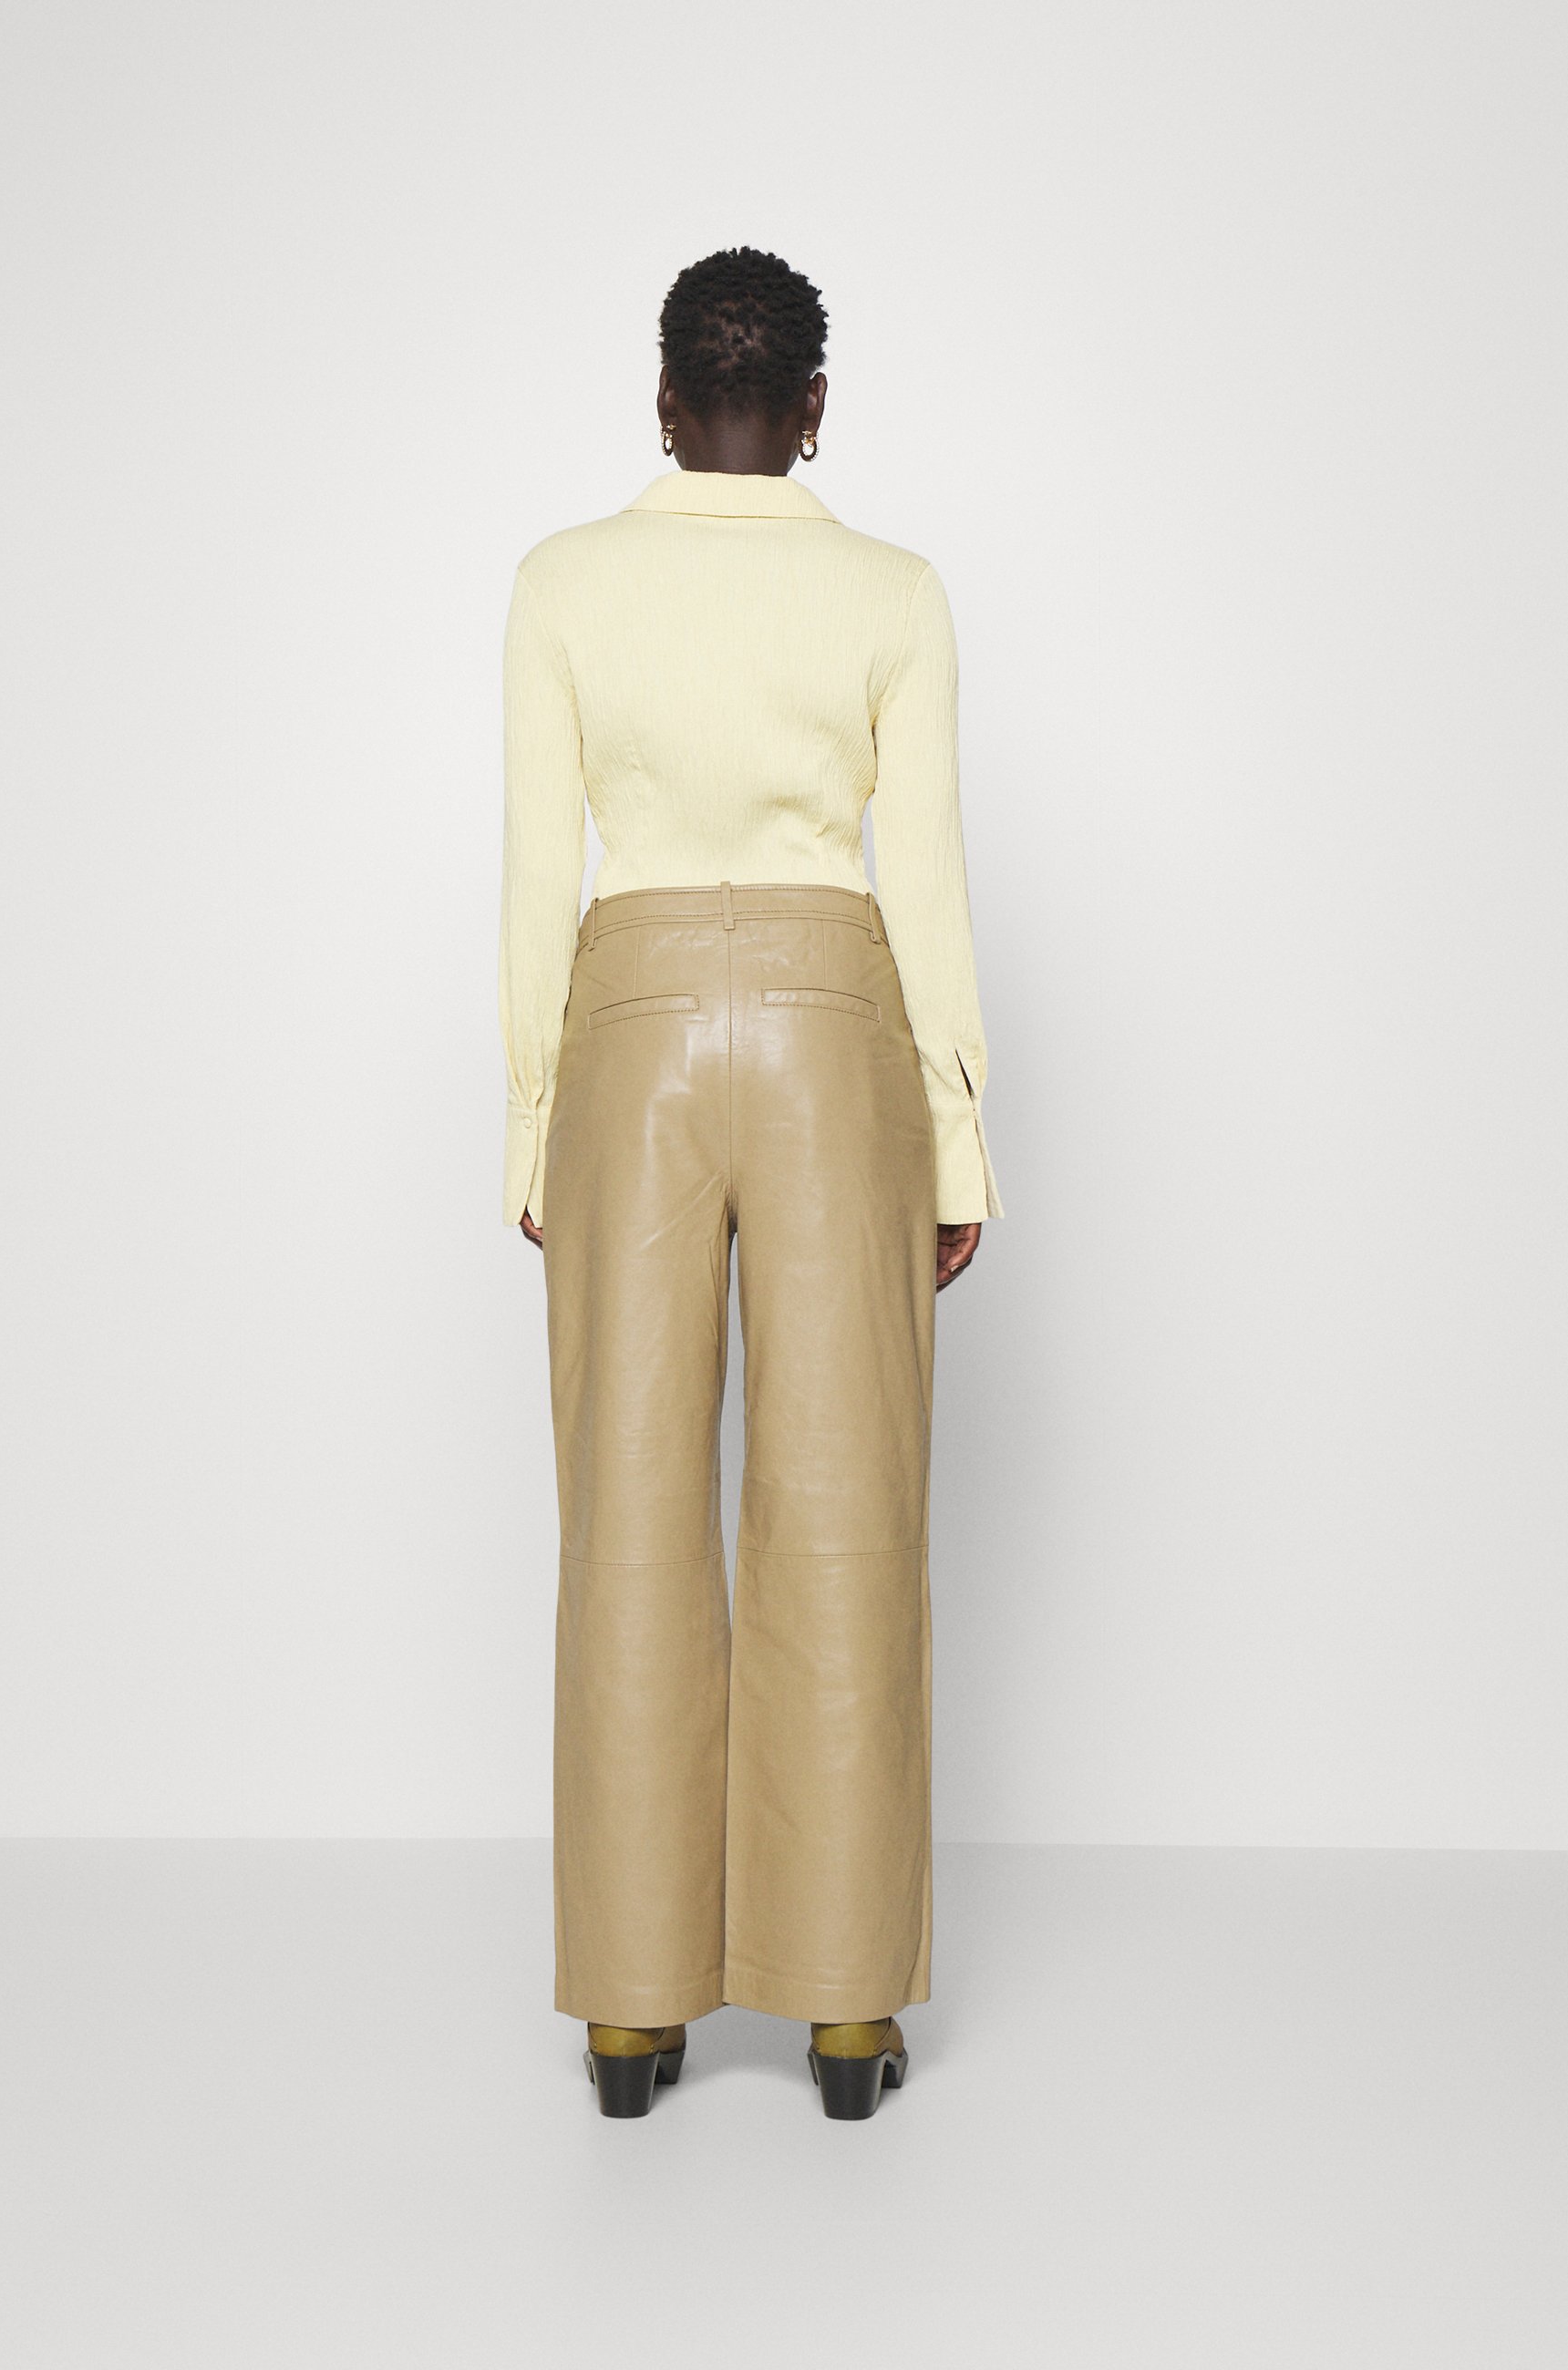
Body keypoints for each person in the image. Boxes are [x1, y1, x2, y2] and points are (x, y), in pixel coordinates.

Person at [498, 245, 1002, 2120]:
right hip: (828, 1028)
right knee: (844, 1511)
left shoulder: (561, 580)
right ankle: (847, 2011)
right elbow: (923, 881)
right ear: (812, 409)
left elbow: (533, 873)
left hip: (627, 1034)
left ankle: (632, 2016)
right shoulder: (891, 591)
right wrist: (956, 1136)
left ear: (660, 404)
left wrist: (531, 1118)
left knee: (626, 1514)